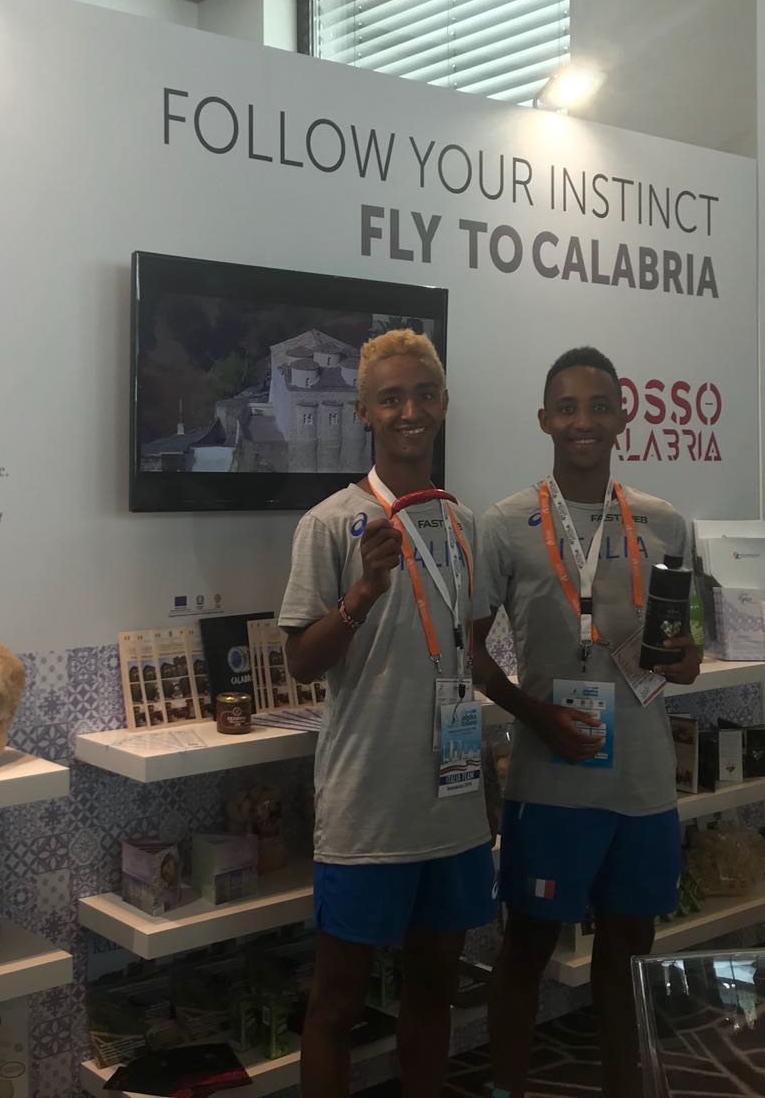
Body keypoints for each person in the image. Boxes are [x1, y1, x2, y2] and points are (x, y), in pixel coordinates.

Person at [473, 346, 701, 1098]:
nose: (584, 422)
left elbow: (688, 645)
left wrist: (686, 659)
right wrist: (535, 715)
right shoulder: (504, 525)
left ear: (622, 417)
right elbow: (470, 657)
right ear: (544, 419)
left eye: (600, 407)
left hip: (643, 784)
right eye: (567, 407)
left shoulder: (665, 523)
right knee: (527, 951)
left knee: (628, 961)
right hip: (550, 781)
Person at [279, 328, 494, 1098]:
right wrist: (363, 593)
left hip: (451, 805)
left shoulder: (464, 525)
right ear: (363, 412)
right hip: (367, 808)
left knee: (434, 989)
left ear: (444, 404)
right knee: (337, 1004)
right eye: (392, 398)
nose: (410, 411)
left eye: (424, 395)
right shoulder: (329, 523)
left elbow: (467, 657)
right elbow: (302, 662)